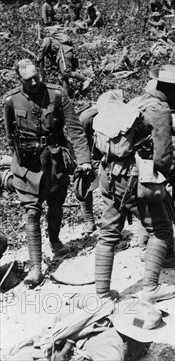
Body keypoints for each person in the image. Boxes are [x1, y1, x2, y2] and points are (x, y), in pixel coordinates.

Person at [93, 68, 175, 303]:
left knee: (108, 233)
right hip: (133, 177)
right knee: (161, 228)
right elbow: (163, 155)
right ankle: (150, 289)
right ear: (169, 90)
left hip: (108, 173)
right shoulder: (160, 109)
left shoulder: (136, 102)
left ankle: (102, 294)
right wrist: (159, 182)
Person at [2, 59, 92, 287]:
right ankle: (36, 268)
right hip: (27, 164)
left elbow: (75, 129)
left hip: (54, 160)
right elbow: (10, 134)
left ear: (41, 73)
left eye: (36, 76)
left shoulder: (57, 94)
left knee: (55, 204)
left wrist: (83, 160)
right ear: (18, 80)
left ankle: (54, 240)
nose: (34, 82)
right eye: (27, 79)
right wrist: (18, 161)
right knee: (31, 212)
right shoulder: (11, 100)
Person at [37, 29, 92, 95]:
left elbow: (43, 47)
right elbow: (52, 58)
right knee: (64, 77)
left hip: (64, 53)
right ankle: (66, 96)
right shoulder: (52, 43)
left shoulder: (47, 39)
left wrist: (39, 57)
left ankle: (85, 80)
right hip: (65, 53)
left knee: (66, 72)